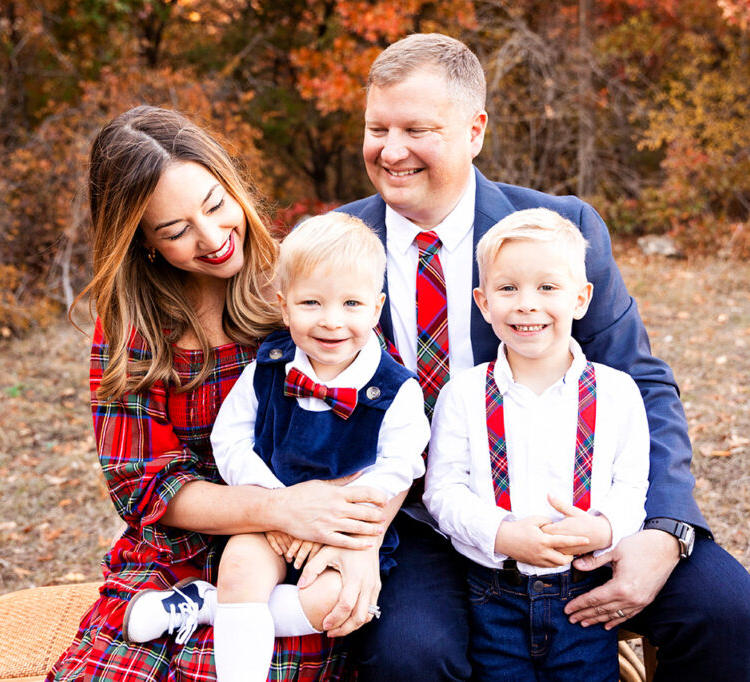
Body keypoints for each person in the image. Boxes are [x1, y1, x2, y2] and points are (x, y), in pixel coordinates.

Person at [328, 32, 750, 682]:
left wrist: (663, 529)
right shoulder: (336, 242)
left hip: (572, 509)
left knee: (724, 610)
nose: (391, 151)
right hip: (416, 519)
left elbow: (641, 381)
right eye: (377, 128)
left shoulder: (558, 228)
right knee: (412, 657)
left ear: (474, 129)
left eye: (417, 129)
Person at [47, 105, 393, 682]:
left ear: (232, 185)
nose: (211, 238)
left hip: (290, 554)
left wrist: (357, 541)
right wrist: (276, 506)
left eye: (214, 205)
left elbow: (379, 419)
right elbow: (143, 484)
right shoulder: (133, 329)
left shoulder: (302, 290)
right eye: (176, 230)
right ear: (144, 243)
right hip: (174, 557)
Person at [122, 212, 428, 681]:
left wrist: (343, 511)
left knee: (334, 602)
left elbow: (402, 462)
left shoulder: (395, 389)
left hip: (342, 530)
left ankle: (206, 607)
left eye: (350, 303)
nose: (331, 321)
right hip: (264, 516)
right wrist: (275, 502)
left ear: (376, 307)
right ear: (284, 308)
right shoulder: (268, 368)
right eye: (311, 302)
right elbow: (230, 438)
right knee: (241, 567)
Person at [424, 208, 649, 680]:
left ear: (581, 298)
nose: (527, 304)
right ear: (483, 303)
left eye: (547, 287)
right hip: (491, 594)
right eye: (508, 289)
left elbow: (632, 486)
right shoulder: (463, 394)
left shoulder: (618, 393)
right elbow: (442, 491)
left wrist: (604, 530)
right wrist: (501, 534)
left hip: (585, 595)